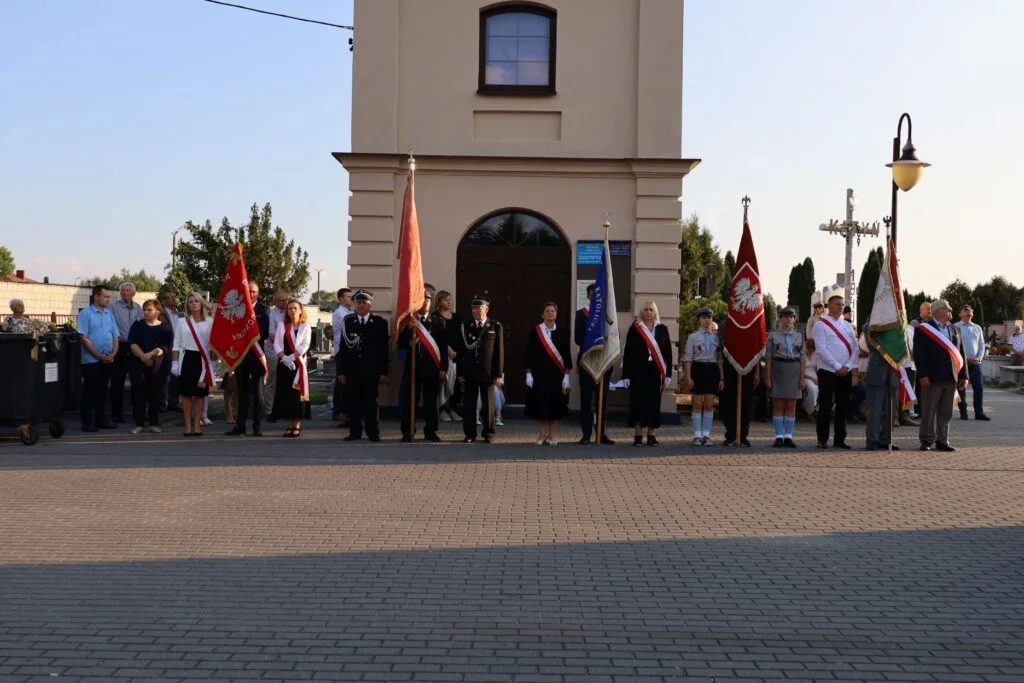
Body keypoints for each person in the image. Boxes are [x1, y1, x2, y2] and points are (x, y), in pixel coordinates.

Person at [914, 299, 968, 452]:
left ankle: (942, 440)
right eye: (948, 308)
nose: (951, 310)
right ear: (938, 311)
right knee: (928, 411)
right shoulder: (924, 329)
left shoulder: (955, 329)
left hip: (951, 378)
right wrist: (923, 374)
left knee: (946, 412)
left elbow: (961, 354)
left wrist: (964, 376)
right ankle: (926, 441)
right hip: (931, 378)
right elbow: (919, 354)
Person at [337, 289, 390, 442]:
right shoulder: (348, 321)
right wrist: (341, 371)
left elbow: (383, 350)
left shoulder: (379, 322)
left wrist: (383, 371)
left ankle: (373, 432)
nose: (360, 305)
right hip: (352, 370)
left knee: (371, 404)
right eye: (358, 302)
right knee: (353, 403)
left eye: (364, 302)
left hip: (371, 370)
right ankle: (354, 432)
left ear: (370, 304)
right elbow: (344, 348)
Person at [396, 291, 448, 442]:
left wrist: (443, 368)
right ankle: (408, 432)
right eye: (423, 300)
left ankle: (431, 431)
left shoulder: (438, 322)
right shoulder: (409, 321)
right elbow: (402, 344)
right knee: (410, 401)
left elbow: (443, 348)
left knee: (431, 402)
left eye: (429, 301)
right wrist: (408, 330)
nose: (426, 303)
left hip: (432, 368)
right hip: (413, 369)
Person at [622, 300, 672, 447]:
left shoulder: (662, 329)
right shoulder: (635, 329)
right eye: (646, 310)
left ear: (655, 312)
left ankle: (651, 435)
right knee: (637, 402)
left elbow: (668, 353)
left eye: (651, 310)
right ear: (641, 312)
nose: (649, 312)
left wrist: (668, 374)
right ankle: (638, 434)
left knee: (654, 403)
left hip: (656, 371)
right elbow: (628, 354)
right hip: (638, 371)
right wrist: (625, 375)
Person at [455, 293, 504, 443]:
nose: (475, 311)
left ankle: (488, 433)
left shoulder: (495, 326)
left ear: (486, 309)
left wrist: (498, 374)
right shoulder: (465, 326)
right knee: (469, 404)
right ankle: (469, 434)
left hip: (487, 372)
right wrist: (460, 372)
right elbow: (461, 352)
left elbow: (499, 352)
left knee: (488, 404)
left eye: (478, 308)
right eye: (473, 308)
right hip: (470, 372)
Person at [812, 293, 858, 449]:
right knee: (825, 406)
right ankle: (822, 439)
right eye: (837, 304)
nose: (841, 307)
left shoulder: (847, 325)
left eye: (842, 304)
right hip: (827, 371)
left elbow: (855, 348)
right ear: (829, 306)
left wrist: (848, 366)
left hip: (845, 371)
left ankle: (840, 439)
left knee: (842, 407)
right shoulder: (821, 325)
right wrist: (837, 366)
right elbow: (821, 349)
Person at [226, 281, 270, 437]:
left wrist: (250, 337)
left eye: (254, 291)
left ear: (258, 293)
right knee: (242, 392)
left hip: (256, 355)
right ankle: (240, 425)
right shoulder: (238, 308)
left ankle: (257, 425)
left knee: (258, 393)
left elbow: (264, 333)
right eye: (248, 291)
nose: (251, 294)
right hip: (241, 356)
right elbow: (231, 329)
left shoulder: (263, 310)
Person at [525, 302, 572, 446]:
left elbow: (566, 354)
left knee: (555, 406)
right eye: (547, 311)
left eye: (553, 311)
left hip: (557, 375)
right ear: (542, 314)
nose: (551, 313)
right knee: (540, 405)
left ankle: (552, 435)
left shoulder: (562, 332)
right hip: (539, 375)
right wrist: (528, 373)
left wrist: (567, 375)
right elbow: (529, 354)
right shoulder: (535, 332)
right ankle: (541, 434)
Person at [574, 284, 614, 445]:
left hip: (604, 362)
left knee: (602, 401)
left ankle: (601, 433)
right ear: (589, 296)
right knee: (585, 400)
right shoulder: (581, 314)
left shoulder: (608, 315)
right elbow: (577, 338)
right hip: (587, 362)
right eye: (592, 295)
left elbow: (613, 337)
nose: (595, 298)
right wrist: (593, 341)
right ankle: (586, 434)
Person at [126, 299, 174, 434]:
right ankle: (138, 424)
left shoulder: (165, 328)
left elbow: (165, 347)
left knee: (155, 394)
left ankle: (154, 423)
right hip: (137, 364)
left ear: (157, 311)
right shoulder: (137, 325)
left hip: (157, 366)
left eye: (149, 310)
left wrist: (151, 354)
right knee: (138, 394)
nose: (145, 312)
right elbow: (132, 343)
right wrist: (142, 356)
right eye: (144, 309)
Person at [76, 285, 119, 432]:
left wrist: (114, 352)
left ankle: (101, 419)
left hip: (108, 359)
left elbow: (115, 335)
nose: (109, 300)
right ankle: (88, 422)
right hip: (91, 361)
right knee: (90, 391)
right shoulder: (85, 314)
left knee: (102, 391)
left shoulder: (109, 314)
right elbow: (83, 337)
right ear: (96, 297)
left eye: (109, 297)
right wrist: (98, 355)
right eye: (106, 296)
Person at [171, 292, 214, 437]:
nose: (194, 304)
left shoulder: (210, 321)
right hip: (186, 358)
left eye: (196, 301)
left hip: (203, 360)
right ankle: (188, 425)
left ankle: (197, 425)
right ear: (187, 305)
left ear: (202, 303)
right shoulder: (182, 321)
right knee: (187, 395)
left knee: (200, 395)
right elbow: (176, 344)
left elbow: (214, 343)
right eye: (190, 302)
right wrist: (174, 363)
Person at [682, 307, 723, 447]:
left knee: (710, 404)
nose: (707, 320)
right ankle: (697, 435)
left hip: (712, 369)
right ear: (699, 320)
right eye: (704, 318)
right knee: (697, 403)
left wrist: (721, 377)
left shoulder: (716, 337)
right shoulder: (693, 337)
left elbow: (719, 359)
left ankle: (706, 434)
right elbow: (687, 358)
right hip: (698, 369)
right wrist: (688, 376)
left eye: (709, 318)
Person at [272, 299, 312, 438]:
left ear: (300, 310)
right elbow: (276, 344)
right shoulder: (282, 325)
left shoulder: (305, 325)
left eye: (295, 308)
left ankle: (297, 425)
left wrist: (293, 357)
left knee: (297, 396)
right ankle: (289, 424)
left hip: (298, 365)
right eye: (290, 308)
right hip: (284, 365)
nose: (292, 311)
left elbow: (305, 345)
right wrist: (284, 358)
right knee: (285, 395)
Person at [765, 307, 804, 448]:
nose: (788, 319)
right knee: (779, 404)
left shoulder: (799, 336)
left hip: (794, 369)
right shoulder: (773, 335)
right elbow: (768, 357)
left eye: (791, 317)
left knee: (791, 404)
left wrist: (801, 378)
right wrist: (768, 377)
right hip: (778, 368)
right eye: (785, 316)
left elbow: (803, 359)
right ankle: (778, 436)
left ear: (794, 319)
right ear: (780, 319)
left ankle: (788, 436)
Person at [862, 321, 900, 451]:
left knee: (890, 410)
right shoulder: (869, 325)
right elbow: (872, 344)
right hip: (877, 370)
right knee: (874, 409)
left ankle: (886, 439)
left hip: (893, 371)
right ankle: (872, 440)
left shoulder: (899, 324)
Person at [110, 282, 143, 424]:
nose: (125, 293)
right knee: (118, 381)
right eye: (122, 290)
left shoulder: (138, 307)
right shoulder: (113, 306)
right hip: (120, 345)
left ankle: (138, 413)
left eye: (128, 290)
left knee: (137, 380)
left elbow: (141, 324)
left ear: (133, 293)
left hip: (135, 346)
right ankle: (117, 414)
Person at [431, 290, 462, 423]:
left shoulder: (457, 318)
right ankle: (442, 408)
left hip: (456, 355)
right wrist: (447, 348)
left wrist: (457, 350)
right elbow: (435, 338)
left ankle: (452, 408)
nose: (449, 302)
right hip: (442, 355)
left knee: (455, 383)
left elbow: (461, 336)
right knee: (444, 382)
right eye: (445, 300)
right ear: (439, 302)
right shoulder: (435, 317)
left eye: (450, 300)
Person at [955, 305, 989, 421]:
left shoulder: (977, 327)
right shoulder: (955, 327)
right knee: (961, 387)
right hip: (961, 363)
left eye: (970, 309)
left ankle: (979, 413)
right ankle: (963, 412)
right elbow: (955, 346)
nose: (969, 310)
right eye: (965, 309)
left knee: (978, 388)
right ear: (960, 314)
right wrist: (961, 359)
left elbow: (981, 344)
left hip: (975, 363)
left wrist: (979, 358)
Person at [264, 290, 288, 422]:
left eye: (286, 299)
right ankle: (269, 410)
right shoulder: (271, 314)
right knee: (272, 381)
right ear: (275, 301)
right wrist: (287, 343)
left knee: (287, 381)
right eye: (281, 300)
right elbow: (272, 335)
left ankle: (284, 409)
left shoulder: (291, 311)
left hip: (289, 353)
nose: (284, 302)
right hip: (274, 353)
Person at [330, 287, 353, 425]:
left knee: (347, 383)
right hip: (341, 351)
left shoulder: (350, 311)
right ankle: (338, 411)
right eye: (348, 297)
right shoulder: (340, 313)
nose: (351, 299)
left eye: (351, 296)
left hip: (348, 351)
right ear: (341, 298)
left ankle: (345, 411)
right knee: (341, 382)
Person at [158, 292, 181, 412]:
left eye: (172, 297)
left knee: (176, 378)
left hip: (179, 350)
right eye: (167, 297)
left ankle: (174, 402)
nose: (170, 299)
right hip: (166, 351)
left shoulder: (180, 315)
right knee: (164, 378)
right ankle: (162, 403)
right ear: (163, 300)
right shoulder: (161, 315)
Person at [802, 339, 819, 418]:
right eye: (809, 349)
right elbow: (801, 371)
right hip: (805, 376)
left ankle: (816, 408)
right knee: (812, 388)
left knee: (821, 387)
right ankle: (809, 410)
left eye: (812, 349)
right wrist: (812, 379)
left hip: (814, 375)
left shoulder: (815, 355)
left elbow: (816, 368)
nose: (811, 351)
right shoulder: (802, 355)